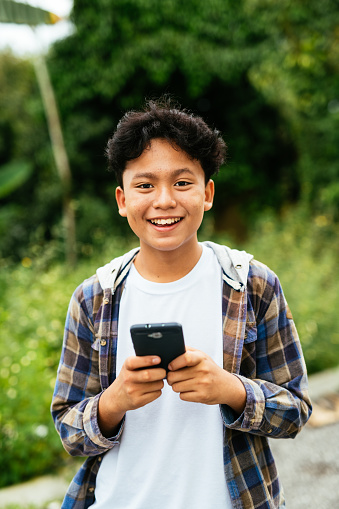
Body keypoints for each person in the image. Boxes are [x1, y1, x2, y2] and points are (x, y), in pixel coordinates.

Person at [51, 98, 312, 509]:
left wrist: (231, 390)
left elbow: (295, 411)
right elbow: (68, 430)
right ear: (122, 201)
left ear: (207, 193)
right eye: (144, 185)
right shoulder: (93, 298)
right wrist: (115, 400)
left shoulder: (252, 285)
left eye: (182, 182)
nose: (164, 200)